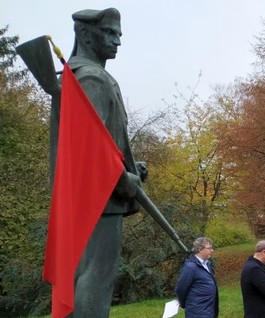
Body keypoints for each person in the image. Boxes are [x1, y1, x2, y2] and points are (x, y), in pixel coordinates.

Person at [66, 8, 147, 316]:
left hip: (91, 197)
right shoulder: (92, 78)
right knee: (96, 278)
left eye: (118, 34)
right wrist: (122, 180)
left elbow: (101, 141)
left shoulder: (80, 74)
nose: (117, 42)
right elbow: (87, 147)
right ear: (85, 34)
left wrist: (131, 168)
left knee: (87, 275)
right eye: (110, 33)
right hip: (100, 199)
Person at [175, 237, 219, 318]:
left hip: (209, 311)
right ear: (200, 249)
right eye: (209, 248)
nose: (212, 250)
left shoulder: (207, 264)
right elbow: (180, 289)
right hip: (197, 313)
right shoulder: (190, 267)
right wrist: (185, 304)